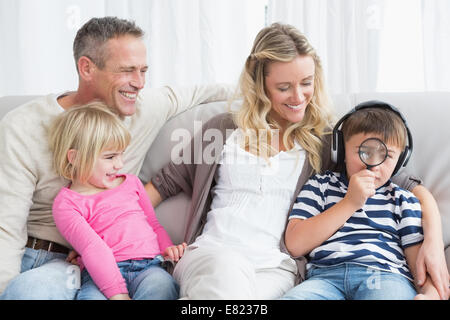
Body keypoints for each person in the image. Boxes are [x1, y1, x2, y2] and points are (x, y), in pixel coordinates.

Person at [145, 23, 449, 299]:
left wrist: (433, 242)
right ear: (259, 83)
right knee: (226, 274)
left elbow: (404, 182)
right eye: (283, 87)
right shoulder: (222, 130)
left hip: (275, 271)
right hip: (211, 256)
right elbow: (158, 187)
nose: (299, 97)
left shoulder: (324, 143)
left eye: (306, 82)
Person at [0, 16, 232, 299]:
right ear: (87, 68)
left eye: (143, 70)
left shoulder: (141, 109)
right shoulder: (23, 126)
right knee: (27, 292)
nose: (139, 83)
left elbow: (208, 92)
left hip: (120, 259)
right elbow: (6, 228)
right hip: (50, 258)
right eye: (127, 70)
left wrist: (286, 94)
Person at [281, 102, 440, 300]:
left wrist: (429, 294)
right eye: (364, 152)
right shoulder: (320, 185)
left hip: (385, 277)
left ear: (400, 161)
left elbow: (418, 262)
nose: (373, 164)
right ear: (341, 152)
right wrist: (350, 202)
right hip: (324, 278)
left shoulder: (403, 200)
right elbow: (295, 244)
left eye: (387, 155)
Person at [49, 102, 186, 300]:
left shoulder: (132, 183)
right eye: (110, 157)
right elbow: (92, 247)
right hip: (100, 277)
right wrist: (118, 294)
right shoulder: (66, 204)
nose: (120, 164)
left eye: (121, 154)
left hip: (148, 267)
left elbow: (154, 225)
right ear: (75, 158)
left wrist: (167, 248)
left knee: (162, 286)